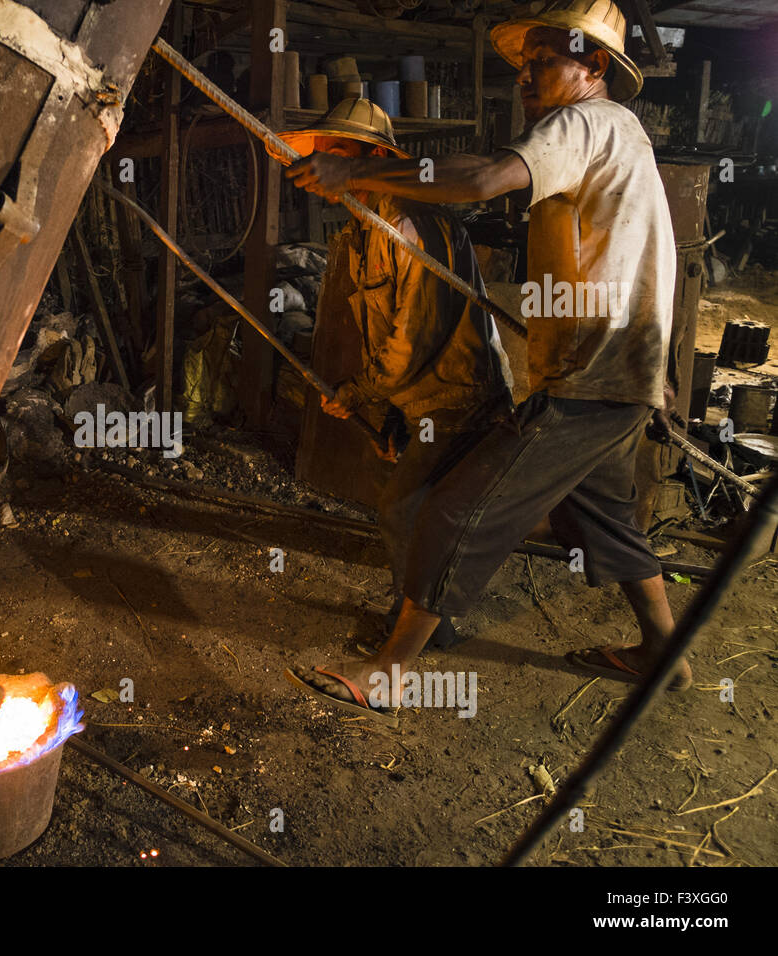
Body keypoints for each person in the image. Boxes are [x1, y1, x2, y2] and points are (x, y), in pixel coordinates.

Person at [285, 0, 687, 714]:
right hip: (617, 372)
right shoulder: (621, 135)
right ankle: (665, 650)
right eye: (523, 62)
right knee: (602, 518)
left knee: (457, 511)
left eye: (544, 61)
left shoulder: (583, 122)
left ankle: (391, 671)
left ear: (593, 66)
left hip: (594, 378)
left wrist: (358, 176)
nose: (526, 75)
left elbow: (479, 180)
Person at [276, 99, 514, 664]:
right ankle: (431, 615)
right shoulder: (366, 224)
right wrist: (388, 413)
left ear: (370, 156)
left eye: (334, 153)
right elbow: (380, 329)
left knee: (405, 509)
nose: (321, 168)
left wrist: (359, 392)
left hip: (458, 398)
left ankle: (432, 624)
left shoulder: (408, 221)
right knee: (420, 506)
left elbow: (415, 337)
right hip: (422, 400)